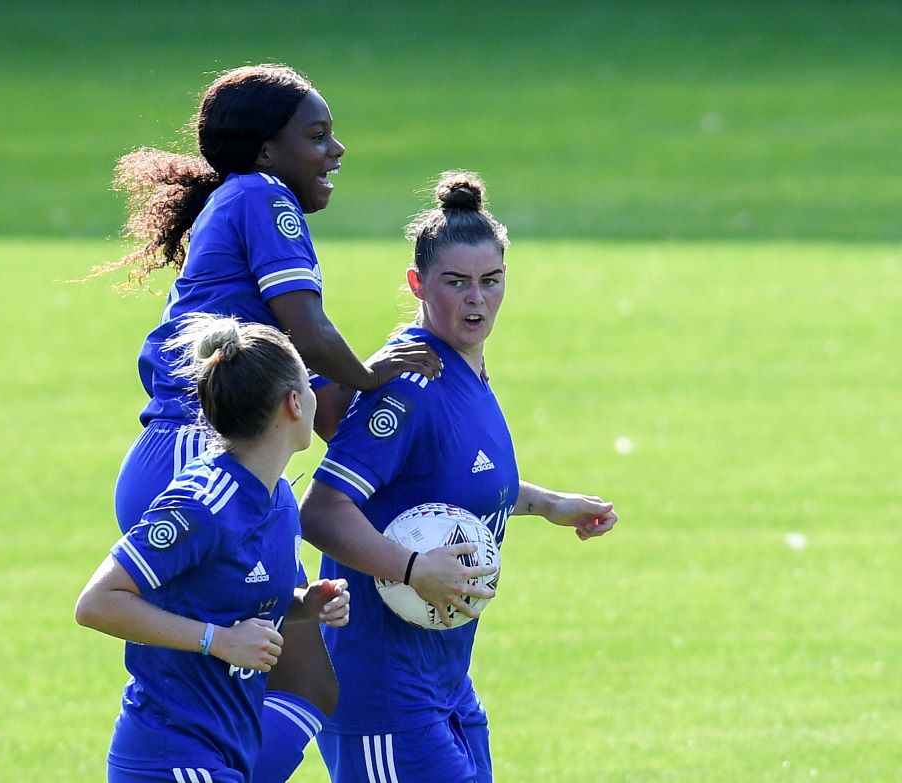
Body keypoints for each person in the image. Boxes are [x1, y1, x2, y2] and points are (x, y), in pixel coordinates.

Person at [95, 64, 471, 782]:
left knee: (290, 683)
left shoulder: (240, 204)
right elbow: (310, 328)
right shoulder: (267, 199)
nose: (336, 151)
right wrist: (379, 372)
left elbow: (320, 396)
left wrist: (410, 461)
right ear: (269, 150)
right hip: (199, 454)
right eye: (318, 135)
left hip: (211, 458)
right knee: (227, 683)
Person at [299, 171, 620, 783]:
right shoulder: (410, 383)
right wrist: (415, 570)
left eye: (490, 282)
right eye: (456, 283)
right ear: (418, 284)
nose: (476, 299)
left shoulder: (466, 372)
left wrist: (549, 504)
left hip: (444, 680)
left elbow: (442, 483)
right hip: (382, 692)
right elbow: (321, 509)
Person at [76, 316, 352, 783]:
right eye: (310, 384)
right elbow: (96, 603)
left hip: (223, 753)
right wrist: (218, 642)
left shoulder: (279, 497)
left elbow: (228, 601)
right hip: (169, 757)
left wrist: (307, 605)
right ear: (293, 403)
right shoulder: (202, 503)